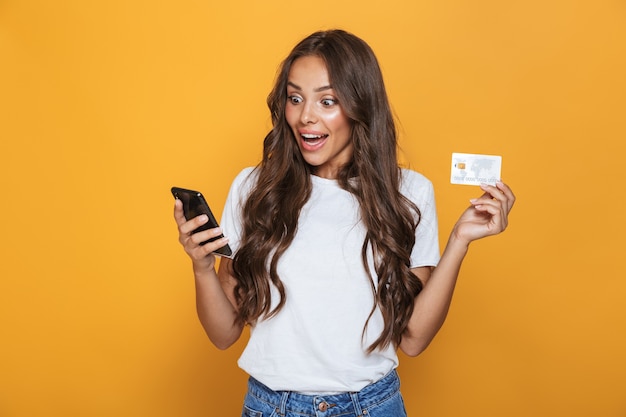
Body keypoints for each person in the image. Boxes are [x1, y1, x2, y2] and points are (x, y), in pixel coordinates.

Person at [173, 29, 515, 417]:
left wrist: (459, 240)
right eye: (295, 97)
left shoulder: (408, 193)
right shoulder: (255, 189)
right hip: (272, 406)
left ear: (360, 106)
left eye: (327, 101)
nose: (305, 116)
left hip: (372, 406)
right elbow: (223, 335)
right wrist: (201, 267)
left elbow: (414, 340)